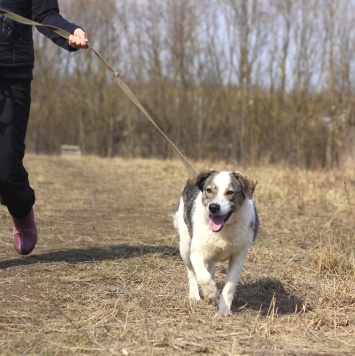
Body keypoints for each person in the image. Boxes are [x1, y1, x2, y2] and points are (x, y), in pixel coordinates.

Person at [0, 0, 89, 255]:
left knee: (6, 169)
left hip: (12, 73)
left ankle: (20, 207)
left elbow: (45, 13)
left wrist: (70, 32)